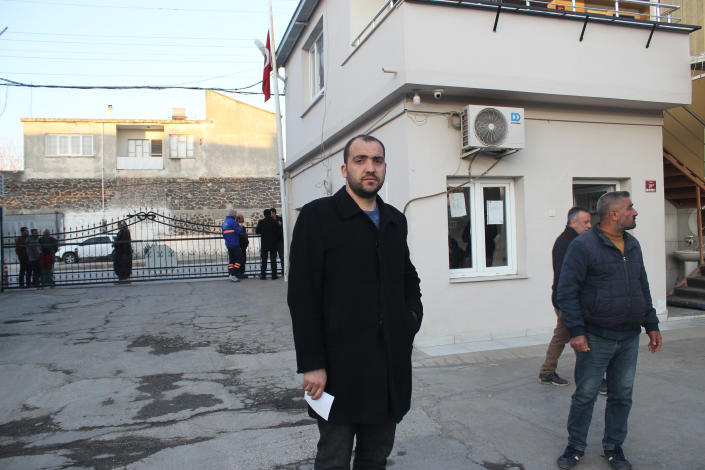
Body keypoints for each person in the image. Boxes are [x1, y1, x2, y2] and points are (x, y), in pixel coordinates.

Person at [288, 134, 423, 469]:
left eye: (377, 160)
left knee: (376, 455)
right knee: (334, 456)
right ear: (345, 168)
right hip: (338, 368)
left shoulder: (394, 220)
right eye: (361, 160)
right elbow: (302, 295)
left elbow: (407, 276)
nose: (369, 168)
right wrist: (312, 363)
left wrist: (410, 319)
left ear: (385, 167)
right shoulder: (318, 217)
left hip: (388, 366)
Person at [556, 191, 662, 470]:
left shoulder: (633, 245)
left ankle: (614, 447)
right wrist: (576, 331)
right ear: (614, 214)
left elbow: (642, 286)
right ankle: (575, 446)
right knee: (586, 395)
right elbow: (567, 292)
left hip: (628, 337)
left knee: (622, 396)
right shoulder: (583, 246)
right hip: (595, 337)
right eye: (631, 208)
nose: (635, 212)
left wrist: (651, 324)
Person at [538, 207, 592, 386]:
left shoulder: (574, 240)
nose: (589, 226)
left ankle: (548, 371)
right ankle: (588, 376)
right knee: (570, 335)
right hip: (567, 301)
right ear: (573, 222)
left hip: (566, 299)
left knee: (570, 335)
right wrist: (568, 302)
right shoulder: (567, 243)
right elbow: (566, 277)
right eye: (585, 222)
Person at [255, 209, 280, 280]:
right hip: (273, 243)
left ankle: (263, 275)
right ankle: (274, 275)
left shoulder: (261, 222)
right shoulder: (274, 222)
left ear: (264, 214)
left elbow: (257, 231)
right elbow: (278, 231)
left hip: (264, 244)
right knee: (273, 260)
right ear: (270, 214)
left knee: (264, 260)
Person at [221, 209, 244, 282]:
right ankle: (232, 274)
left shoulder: (224, 222)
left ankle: (230, 273)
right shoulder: (233, 222)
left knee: (231, 260)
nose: (236, 216)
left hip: (228, 243)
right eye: (235, 214)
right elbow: (239, 231)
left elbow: (224, 234)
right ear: (233, 215)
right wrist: (241, 226)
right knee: (240, 259)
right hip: (234, 243)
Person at [270, 207, 284, 276]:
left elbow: (282, 228)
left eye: (272, 213)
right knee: (273, 257)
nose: (271, 215)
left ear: (274, 213)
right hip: (273, 241)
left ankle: (284, 271)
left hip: (280, 240)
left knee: (282, 256)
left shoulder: (280, 219)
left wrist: (280, 225)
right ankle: (274, 273)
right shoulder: (270, 220)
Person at [236, 214, 249, 278]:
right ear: (238, 219)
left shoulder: (242, 227)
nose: (243, 219)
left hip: (243, 245)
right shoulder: (237, 227)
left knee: (243, 259)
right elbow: (242, 236)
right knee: (240, 260)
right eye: (242, 218)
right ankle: (239, 273)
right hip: (240, 245)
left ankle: (242, 272)